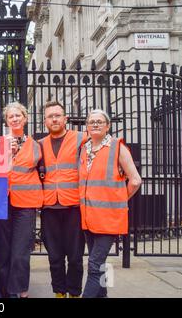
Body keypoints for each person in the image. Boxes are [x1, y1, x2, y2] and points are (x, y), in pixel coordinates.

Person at [79, 109, 141, 298]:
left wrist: (119, 200)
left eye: (99, 121)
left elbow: (135, 180)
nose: (95, 124)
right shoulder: (84, 148)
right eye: (91, 122)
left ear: (108, 126)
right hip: (89, 218)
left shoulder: (117, 147)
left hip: (108, 219)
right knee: (101, 264)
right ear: (87, 126)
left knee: (94, 265)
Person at [0, 102, 43, 298]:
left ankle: (20, 291)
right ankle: (6, 292)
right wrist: (8, 153)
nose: (14, 119)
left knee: (20, 252)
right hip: (1, 202)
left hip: (26, 203)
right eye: (10, 116)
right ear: (6, 121)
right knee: (3, 251)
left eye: (18, 115)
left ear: (25, 118)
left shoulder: (36, 146)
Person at [39, 101, 87, 298]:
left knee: (75, 257)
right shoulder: (39, 144)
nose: (54, 119)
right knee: (55, 257)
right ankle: (59, 292)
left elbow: (104, 144)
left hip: (74, 206)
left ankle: (74, 293)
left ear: (65, 118)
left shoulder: (81, 138)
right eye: (50, 116)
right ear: (45, 121)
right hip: (49, 207)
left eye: (58, 115)